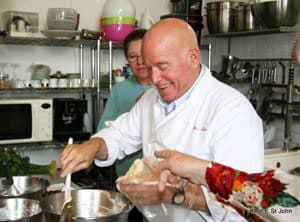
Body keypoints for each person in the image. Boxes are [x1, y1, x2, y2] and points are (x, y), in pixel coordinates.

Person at [61, 18, 264, 222]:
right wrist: (92, 146)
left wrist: (176, 196)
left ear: (192, 57)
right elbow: (120, 135)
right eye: (149, 68)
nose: (155, 79)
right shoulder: (151, 100)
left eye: (162, 66)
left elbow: (244, 202)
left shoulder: (232, 110)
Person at [97, 28, 152, 222]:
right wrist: (133, 114)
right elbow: (103, 130)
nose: (139, 61)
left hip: (158, 181)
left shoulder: (165, 87)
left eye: (143, 55)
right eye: (133, 56)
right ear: (127, 59)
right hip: (127, 179)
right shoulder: (120, 90)